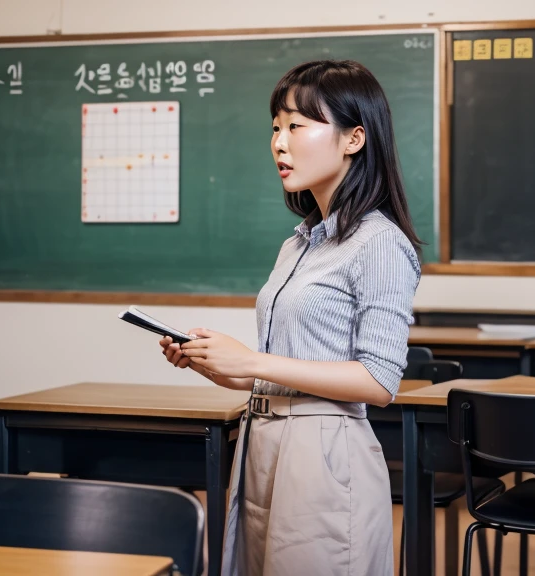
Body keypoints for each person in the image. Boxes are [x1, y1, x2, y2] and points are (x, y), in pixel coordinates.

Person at [158, 59, 422, 576]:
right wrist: (216, 363)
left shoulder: (380, 242)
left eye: (296, 126)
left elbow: (379, 379)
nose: (279, 142)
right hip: (262, 441)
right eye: (275, 128)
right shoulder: (299, 242)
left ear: (354, 139)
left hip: (323, 454)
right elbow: (282, 369)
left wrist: (254, 359)